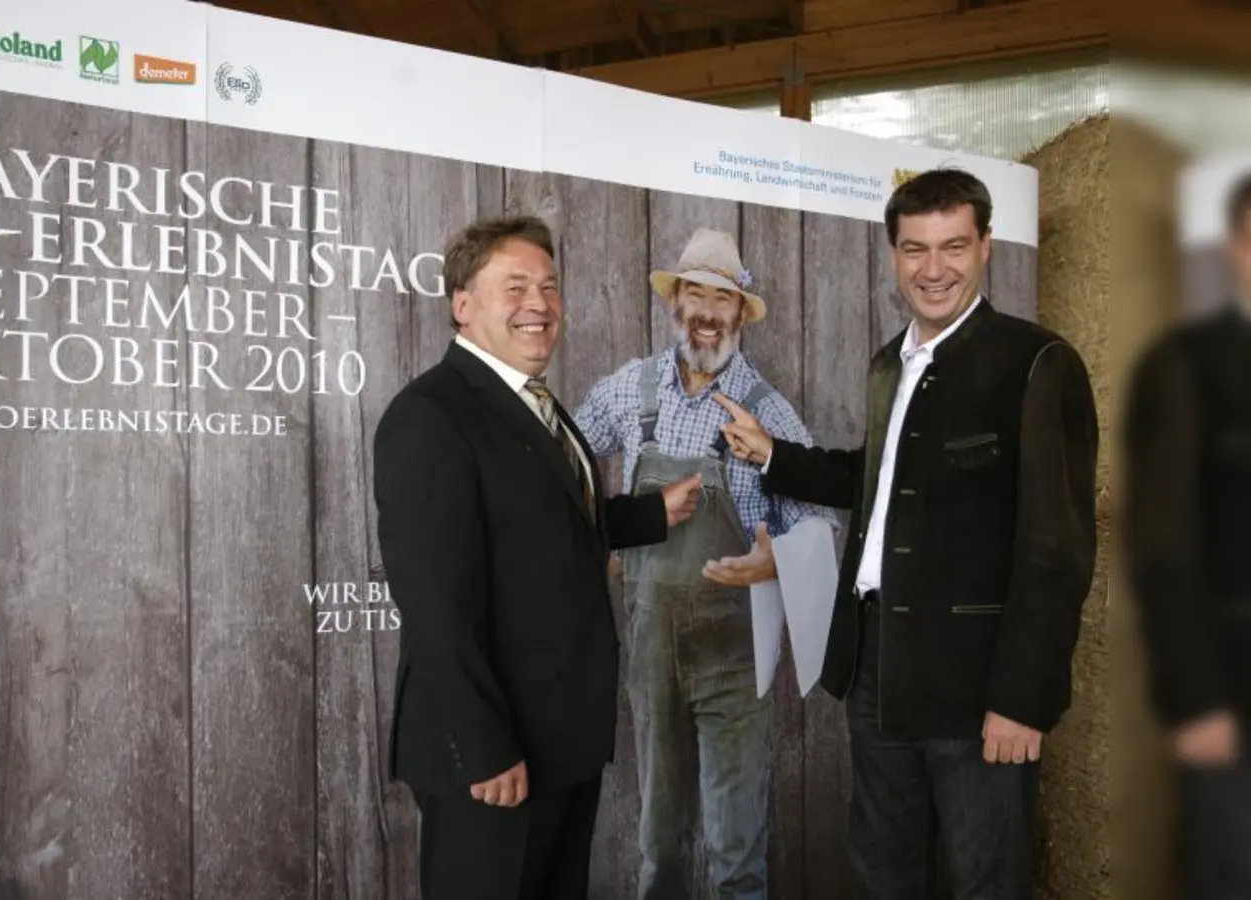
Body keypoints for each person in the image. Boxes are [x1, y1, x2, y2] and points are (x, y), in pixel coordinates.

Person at [718, 168, 1098, 899]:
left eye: (953, 246)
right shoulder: (890, 363)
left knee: (984, 878)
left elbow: (1057, 548)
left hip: (974, 679)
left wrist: (1023, 699)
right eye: (915, 249)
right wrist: (775, 454)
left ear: (986, 246)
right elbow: (882, 480)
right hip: (874, 661)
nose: (934, 269)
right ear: (892, 254)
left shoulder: (1038, 363)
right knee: (886, 872)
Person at [373, 214, 703, 900]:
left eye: (549, 287)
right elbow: (435, 606)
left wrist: (652, 512)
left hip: (560, 740)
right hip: (492, 754)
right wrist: (484, 748)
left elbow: (545, 527)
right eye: (515, 286)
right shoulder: (431, 417)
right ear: (461, 305)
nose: (540, 304)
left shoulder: (534, 404)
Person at [572, 227, 834, 900]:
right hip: (653, 652)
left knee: (734, 848)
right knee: (658, 844)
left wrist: (773, 562)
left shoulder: (767, 412)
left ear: (742, 314)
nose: (708, 312)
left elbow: (819, 520)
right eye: (696, 294)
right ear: (675, 303)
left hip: (734, 657)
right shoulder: (631, 391)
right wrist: (602, 534)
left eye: (724, 299)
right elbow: (563, 461)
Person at [1125, 171, 1251, 900]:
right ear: (1235, 246)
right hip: (1231, 691)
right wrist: (1196, 698)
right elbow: (1163, 547)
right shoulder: (1186, 366)